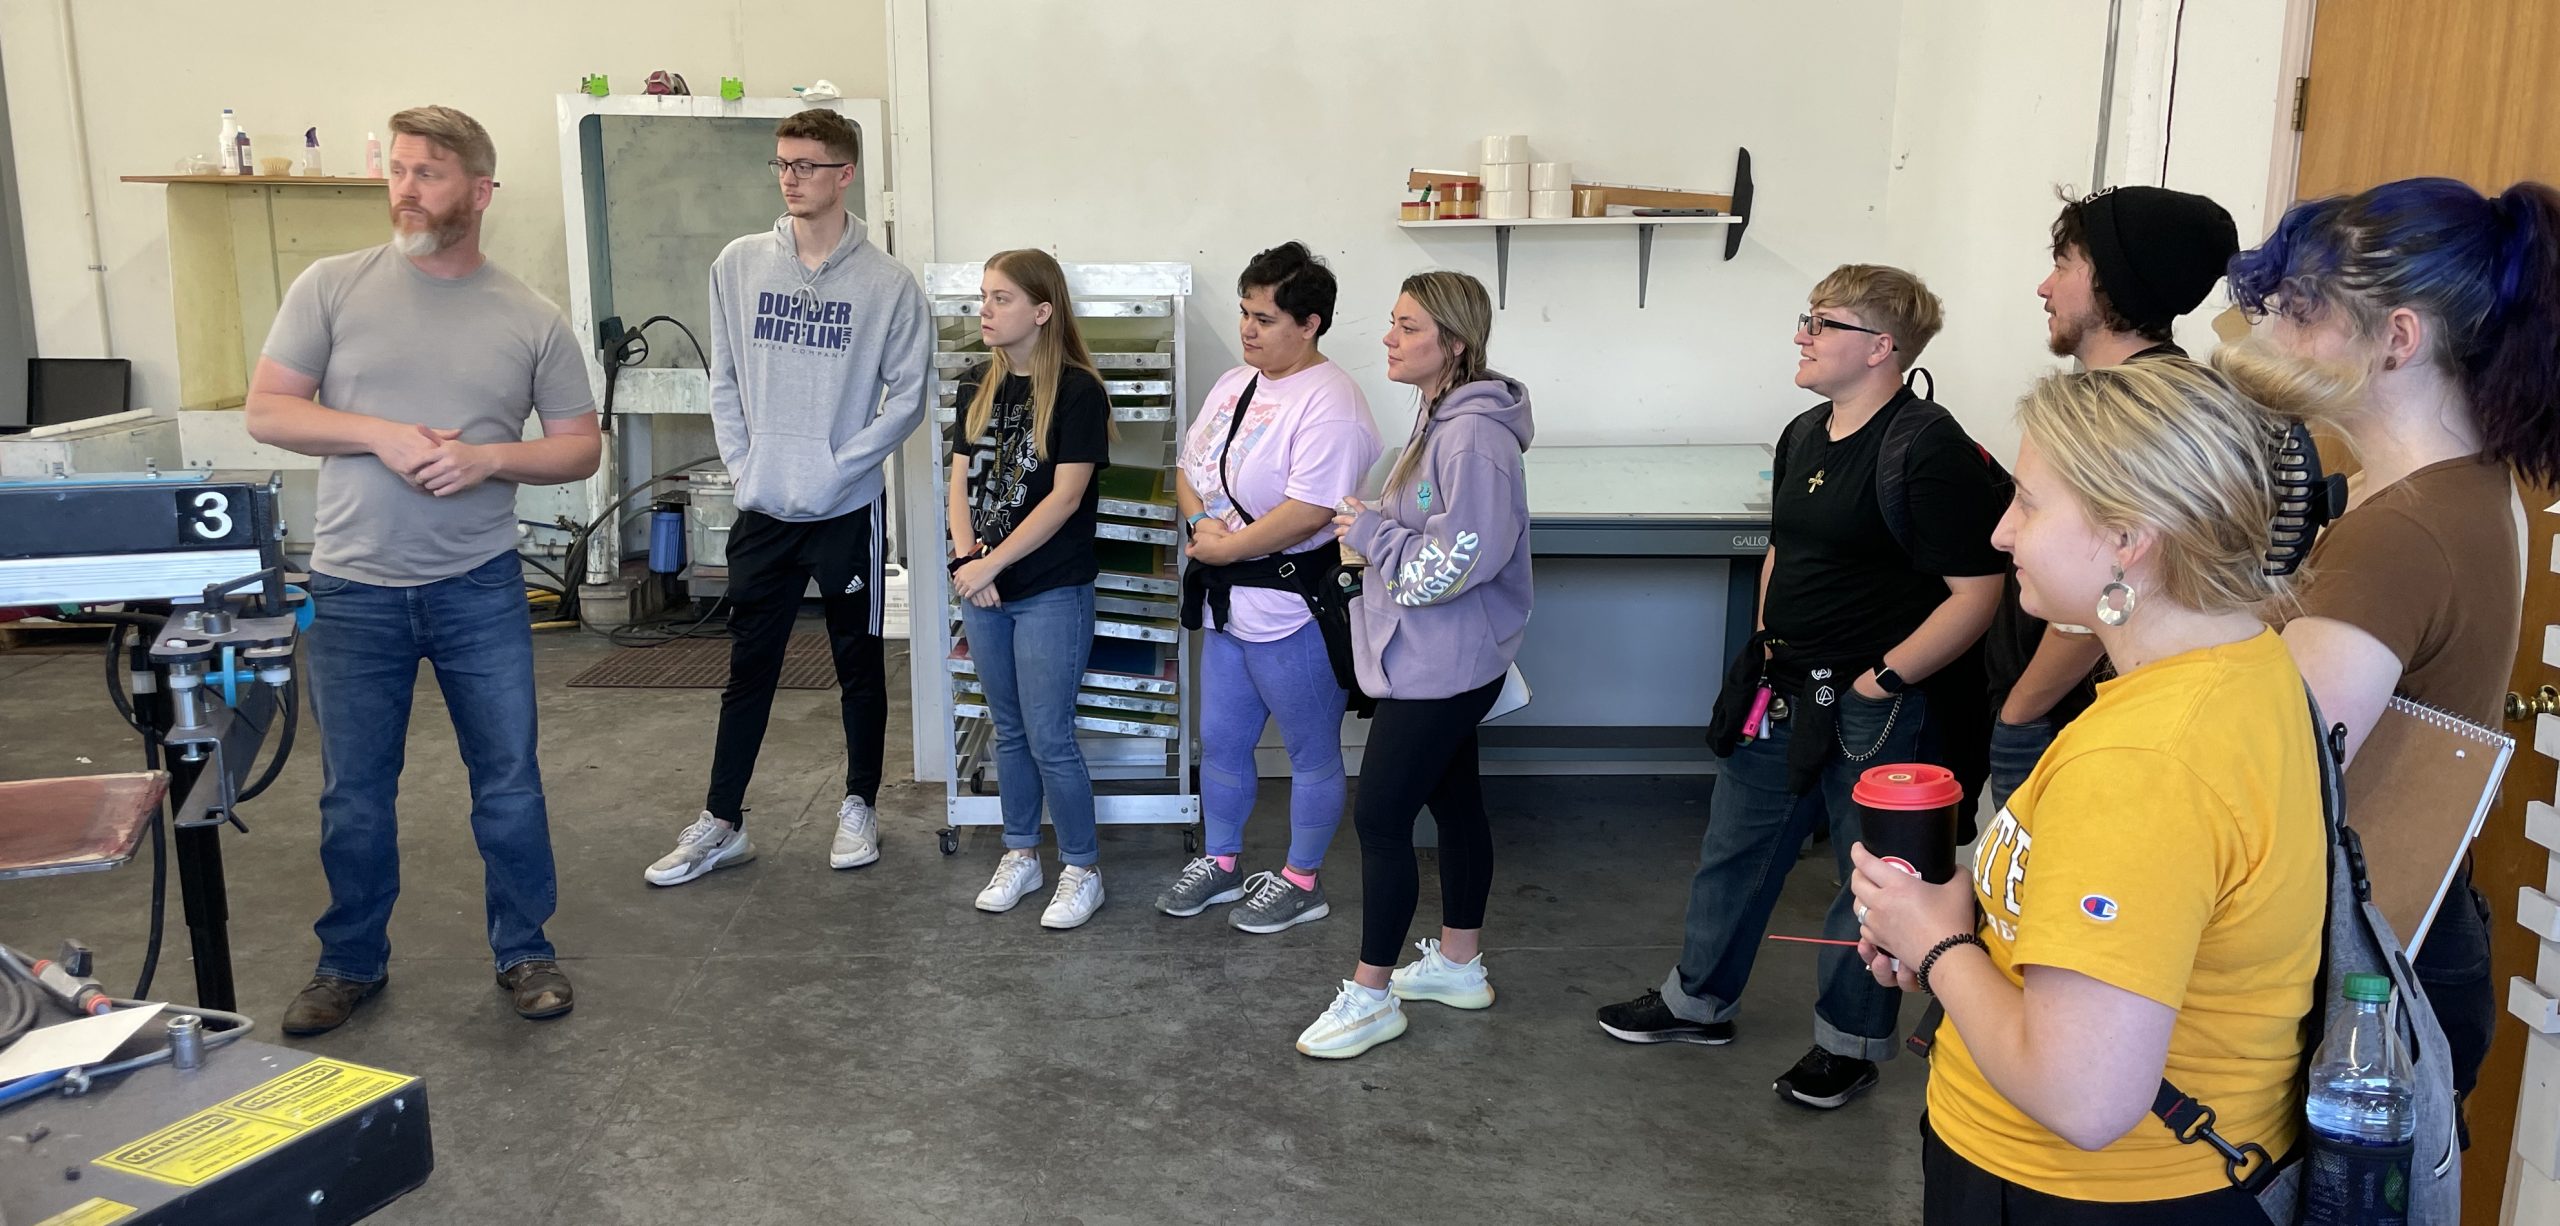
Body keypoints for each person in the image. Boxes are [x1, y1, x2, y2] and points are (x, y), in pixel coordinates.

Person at [1850, 357, 2331, 1222]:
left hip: (2076, 1194)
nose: (2001, 533)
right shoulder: (2247, 666)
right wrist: (1977, 933)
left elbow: (2084, 1097)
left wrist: (1938, 950)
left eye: (2029, 502)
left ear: (2127, 538)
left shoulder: (2144, 763)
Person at [1595, 265, 2009, 1111]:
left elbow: (1980, 593)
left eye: (1823, 322)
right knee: (1734, 852)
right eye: (1807, 319)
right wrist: (1763, 640)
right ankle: (1696, 1002)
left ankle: (1847, 1043)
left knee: (1872, 882)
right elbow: (1784, 547)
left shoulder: (1926, 448)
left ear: (1882, 346)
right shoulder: (1803, 432)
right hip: (1783, 689)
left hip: (1881, 710)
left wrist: (1879, 679)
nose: (1802, 335)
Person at [246, 106, 601, 1032]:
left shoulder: (531, 318)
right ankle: (349, 960)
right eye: (399, 170)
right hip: (355, 587)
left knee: (509, 781)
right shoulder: (330, 287)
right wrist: (380, 435)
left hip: (478, 585)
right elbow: (270, 412)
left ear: (480, 193)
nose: (406, 188)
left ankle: (525, 950)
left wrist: (488, 460)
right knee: (354, 793)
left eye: (430, 174)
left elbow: (578, 449)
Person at [2230, 176, 2560, 1137]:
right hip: (2409, 934)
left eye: (2301, 313)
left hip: (2369, 965)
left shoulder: (2407, 529)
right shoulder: (2451, 484)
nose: (2275, 337)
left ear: (2397, 339)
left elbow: (2273, 770)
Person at [645, 108, 932, 887]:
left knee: (858, 663)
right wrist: (747, 468)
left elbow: (907, 398)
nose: (791, 178)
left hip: (845, 511)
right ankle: (723, 821)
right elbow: (726, 377)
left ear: (845, 174)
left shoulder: (888, 284)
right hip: (764, 507)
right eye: (781, 164)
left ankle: (859, 804)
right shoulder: (738, 265)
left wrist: (842, 463)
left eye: (807, 164)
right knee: (750, 667)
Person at [1293, 271, 1531, 1059]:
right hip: (1438, 658)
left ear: (1454, 344)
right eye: (1392, 324)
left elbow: (1447, 567)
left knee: (1381, 816)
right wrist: (1378, 522)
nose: (1388, 340)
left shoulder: (1472, 437)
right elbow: (1434, 535)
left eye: (1406, 328)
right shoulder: (1440, 417)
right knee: (1456, 802)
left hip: (1441, 665)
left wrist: (1370, 537)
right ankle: (1460, 966)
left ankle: (1370, 997)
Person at [1985, 187, 2241, 810]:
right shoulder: (2126, 395)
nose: (2045, 287)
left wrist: (2022, 710)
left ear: (2114, 281)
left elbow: (2115, 580)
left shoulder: (2148, 414)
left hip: (2074, 715)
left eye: (2065, 263)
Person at [1159, 242, 1382, 933]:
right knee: (1221, 745)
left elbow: (1310, 511)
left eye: (1265, 317)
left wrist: (1224, 546)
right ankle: (1222, 864)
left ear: (1310, 322)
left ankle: (1301, 879)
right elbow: (1187, 465)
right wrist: (1200, 525)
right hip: (1228, 604)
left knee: (1312, 752)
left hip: (1293, 609)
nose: (1249, 329)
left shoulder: (1333, 403)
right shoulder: (1234, 383)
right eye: (1245, 313)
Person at [947, 249, 1117, 929]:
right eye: (983, 298)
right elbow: (959, 481)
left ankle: (1082, 866)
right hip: (982, 587)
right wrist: (968, 561)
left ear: (1042, 311)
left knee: (1050, 735)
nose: (985, 311)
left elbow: (1065, 500)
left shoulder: (1078, 392)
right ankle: (1022, 853)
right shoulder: (974, 385)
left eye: (1001, 299)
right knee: (1007, 729)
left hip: (1049, 590)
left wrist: (991, 566)